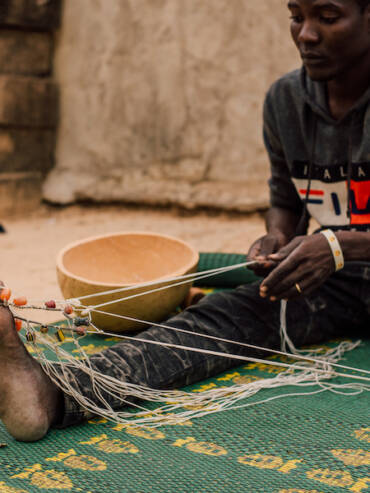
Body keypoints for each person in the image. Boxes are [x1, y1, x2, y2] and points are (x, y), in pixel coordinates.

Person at [1, 0, 370, 442]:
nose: (306, 34)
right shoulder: (286, 100)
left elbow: (330, 243)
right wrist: (276, 235)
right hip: (339, 285)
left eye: (327, 18)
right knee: (221, 318)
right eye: (296, 16)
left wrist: (336, 247)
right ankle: (56, 393)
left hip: (341, 263)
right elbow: (286, 198)